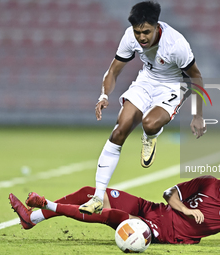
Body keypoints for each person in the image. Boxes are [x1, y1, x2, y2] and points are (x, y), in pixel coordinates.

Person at [9, 156, 220, 247]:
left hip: (163, 233)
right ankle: (31, 219)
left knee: (111, 214)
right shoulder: (207, 182)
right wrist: (186, 209)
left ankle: (45, 205)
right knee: (93, 191)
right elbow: (169, 194)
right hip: (152, 210)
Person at [79, 1, 206, 215]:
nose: (142, 37)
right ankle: (98, 197)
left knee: (149, 123)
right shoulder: (130, 36)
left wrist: (198, 115)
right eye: (138, 32)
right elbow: (113, 71)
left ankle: (151, 135)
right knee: (120, 128)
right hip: (146, 81)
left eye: (146, 32)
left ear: (157, 26)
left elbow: (196, 77)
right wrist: (103, 95)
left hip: (173, 85)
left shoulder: (176, 44)